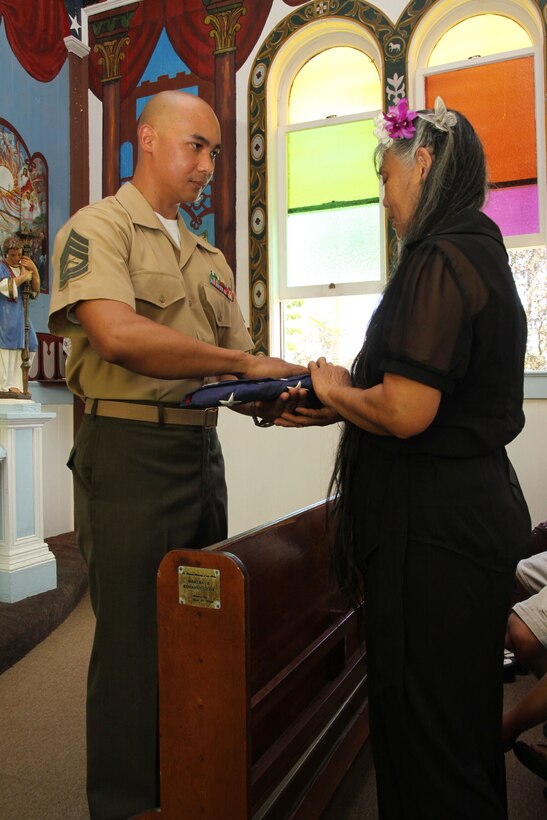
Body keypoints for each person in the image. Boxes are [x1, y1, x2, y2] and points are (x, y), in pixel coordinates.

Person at [49, 90, 306, 820]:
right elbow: (120, 336)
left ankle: (191, 792)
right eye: (197, 146)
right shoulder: (97, 229)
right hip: (127, 455)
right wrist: (236, 369)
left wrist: (302, 393)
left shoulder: (209, 257)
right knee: (134, 652)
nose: (207, 166)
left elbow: (244, 363)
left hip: (200, 454)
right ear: (148, 140)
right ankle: (128, 806)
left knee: (201, 631)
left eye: (216, 153)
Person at [277, 97, 531, 818]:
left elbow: (403, 409)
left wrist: (334, 387)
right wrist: (323, 402)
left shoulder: (439, 256)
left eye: (385, 180)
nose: (383, 200)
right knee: (455, 723)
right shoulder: (476, 248)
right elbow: (418, 394)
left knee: (428, 736)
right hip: (459, 524)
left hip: (433, 540)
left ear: (421, 165)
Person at [0, 235, 39, 393]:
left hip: (21, 313)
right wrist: (23, 277)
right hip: (5, 312)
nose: (16, 258)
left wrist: (34, 270)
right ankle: (6, 385)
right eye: (12, 255)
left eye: (18, 254)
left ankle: (20, 381)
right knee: (7, 347)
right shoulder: (1, 266)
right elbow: (4, 286)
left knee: (31, 344)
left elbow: (35, 290)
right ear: (6, 254)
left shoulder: (24, 267)